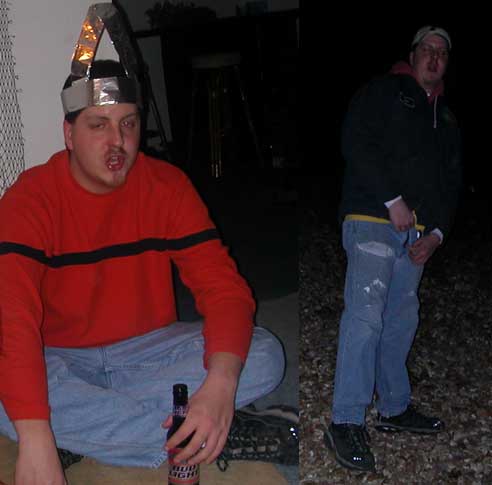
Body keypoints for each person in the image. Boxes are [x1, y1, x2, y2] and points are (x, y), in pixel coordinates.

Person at [0, 53, 292, 483]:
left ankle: (91, 431)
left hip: (148, 352)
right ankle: (203, 436)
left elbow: (224, 290)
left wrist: (220, 387)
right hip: (60, 356)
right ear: (69, 134)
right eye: (98, 125)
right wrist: (35, 436)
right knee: (9, 388)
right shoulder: (29, 200)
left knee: (264, 353)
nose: (117, 141)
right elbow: (12, 319)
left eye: (129, 123)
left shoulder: (167, 186)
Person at [324, 25, 462, 472]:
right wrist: (392, 200)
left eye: (442, 52)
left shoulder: (447, 119)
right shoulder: (384, 91)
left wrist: (436, 234)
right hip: (372, 217)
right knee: (366, 313)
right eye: (428, 49)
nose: (434, 57)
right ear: (413, 54)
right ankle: (345, 420)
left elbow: (451, 181)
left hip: (416, 233)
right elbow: (355, 140)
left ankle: (394, 407)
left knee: (402, 318)